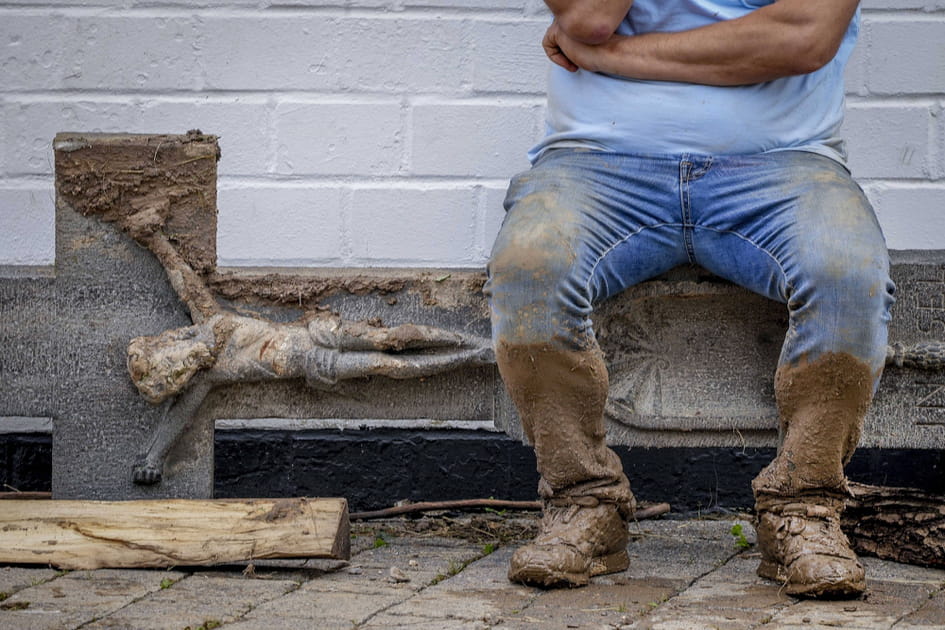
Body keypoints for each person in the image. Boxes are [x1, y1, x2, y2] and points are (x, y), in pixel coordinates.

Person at [484, 0, 895, 599]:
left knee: (848, 276)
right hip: (597, 162)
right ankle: (583, 501)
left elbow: (803, 35)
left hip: (782, 163)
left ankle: (803, 509)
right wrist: (603, 41)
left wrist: (612, 58)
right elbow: (590, 18)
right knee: (528, 269)